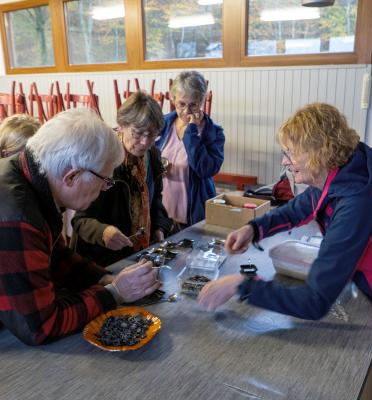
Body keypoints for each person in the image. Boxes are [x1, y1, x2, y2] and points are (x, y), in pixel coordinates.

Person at [198, 102, 372, 337]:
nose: (284, 161)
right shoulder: (343, 174)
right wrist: (253, 229)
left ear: (319, 152)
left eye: (290, 152)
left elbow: (314, 301)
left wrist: (241, 285)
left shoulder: (357, 203)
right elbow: (296, 209)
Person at [0, 108, 159, 345]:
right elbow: (41, 327)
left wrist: (104, 278)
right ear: (71, 177)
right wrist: (113, 293)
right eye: (105, 180)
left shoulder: (28, 171)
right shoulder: (18, 215)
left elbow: (55, 255)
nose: (105, 188)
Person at [71, 91, 172, 266]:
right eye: (138, 133)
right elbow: (80, 221)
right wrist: (104, 232)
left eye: (152, 135)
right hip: (100, 260)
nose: (145, 142)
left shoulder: (153, 156)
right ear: (121, 125)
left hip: (138, 253)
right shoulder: (101, 160)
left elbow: (155, 200)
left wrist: (159, 227)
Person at [156, 71, 225, 229]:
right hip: (161, 212)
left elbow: (205, 169)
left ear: (202, 101)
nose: (186, 111)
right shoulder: (162, 124)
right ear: (173, 99)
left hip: (193, 214)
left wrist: (191, 131)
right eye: (181, 104)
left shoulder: (213, 132)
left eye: (193, 104)